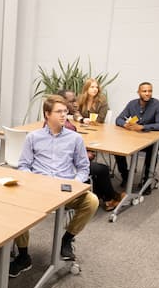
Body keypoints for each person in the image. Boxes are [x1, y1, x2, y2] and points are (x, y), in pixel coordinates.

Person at [9, 95, 99, 277]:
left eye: (65, 111)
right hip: (38, 188)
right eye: (59, 111)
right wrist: (30, 180)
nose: (64, 115)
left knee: (92, 201)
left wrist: (76, 182)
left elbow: (83, 167)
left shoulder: (75, 138)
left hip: (64, 189)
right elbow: (24, 165)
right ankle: (24, 256)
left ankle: (67, 239)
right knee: (15, 207)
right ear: (47, 114)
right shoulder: (33, 137)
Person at [58, 89, 124, 211]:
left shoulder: (57, 120)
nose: (76, 104)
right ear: (62, 102)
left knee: (95, 167)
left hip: (57, 164)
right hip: (67, 166)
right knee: (102, 169)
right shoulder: (66, 126)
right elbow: (66, 151)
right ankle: (110, 198)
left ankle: (105, 196)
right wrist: (85, 155)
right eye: (72, 101)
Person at [114, 82, 159, 188]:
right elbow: (118, 119)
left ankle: (147, 180)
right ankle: (125, 176)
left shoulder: (158, 105)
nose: (147, 93)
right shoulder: (132, 104)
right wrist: (125, 125)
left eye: (150, 91)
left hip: (152, 140)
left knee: (152, 150)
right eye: (144, 91)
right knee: (117, 148)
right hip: (134, 139)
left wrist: (143, 127)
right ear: (138, 92)